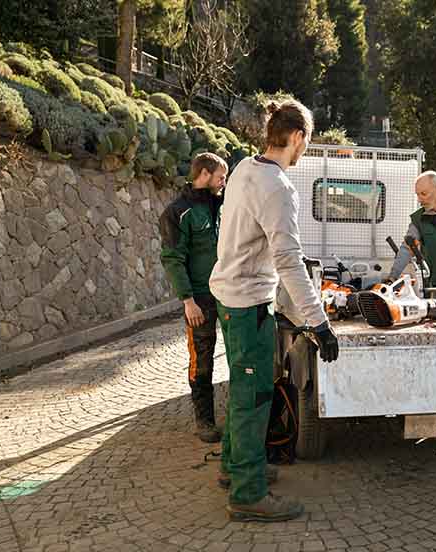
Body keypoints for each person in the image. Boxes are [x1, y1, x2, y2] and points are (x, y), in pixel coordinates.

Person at [209, 98, 339, 522]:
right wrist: (319, 322)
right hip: (247, 302)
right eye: (308, 141)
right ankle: (247, 494)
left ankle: (235, 466)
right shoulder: (278, 187)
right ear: (297, 136)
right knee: (253, 397)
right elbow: (289, 261)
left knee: (244, 388)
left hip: (231, 297)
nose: (306, 149)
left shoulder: (244, 168)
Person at [159, 152, 227, 444]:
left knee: (239, 354)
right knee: (202, 359)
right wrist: (188, 301)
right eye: (220, 176)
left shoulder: (223, 204)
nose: (224, 182)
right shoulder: (177, 212)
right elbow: (173, 258)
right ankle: (205, 421)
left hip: (229, 293)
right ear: (204, 174)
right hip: (199, 299)